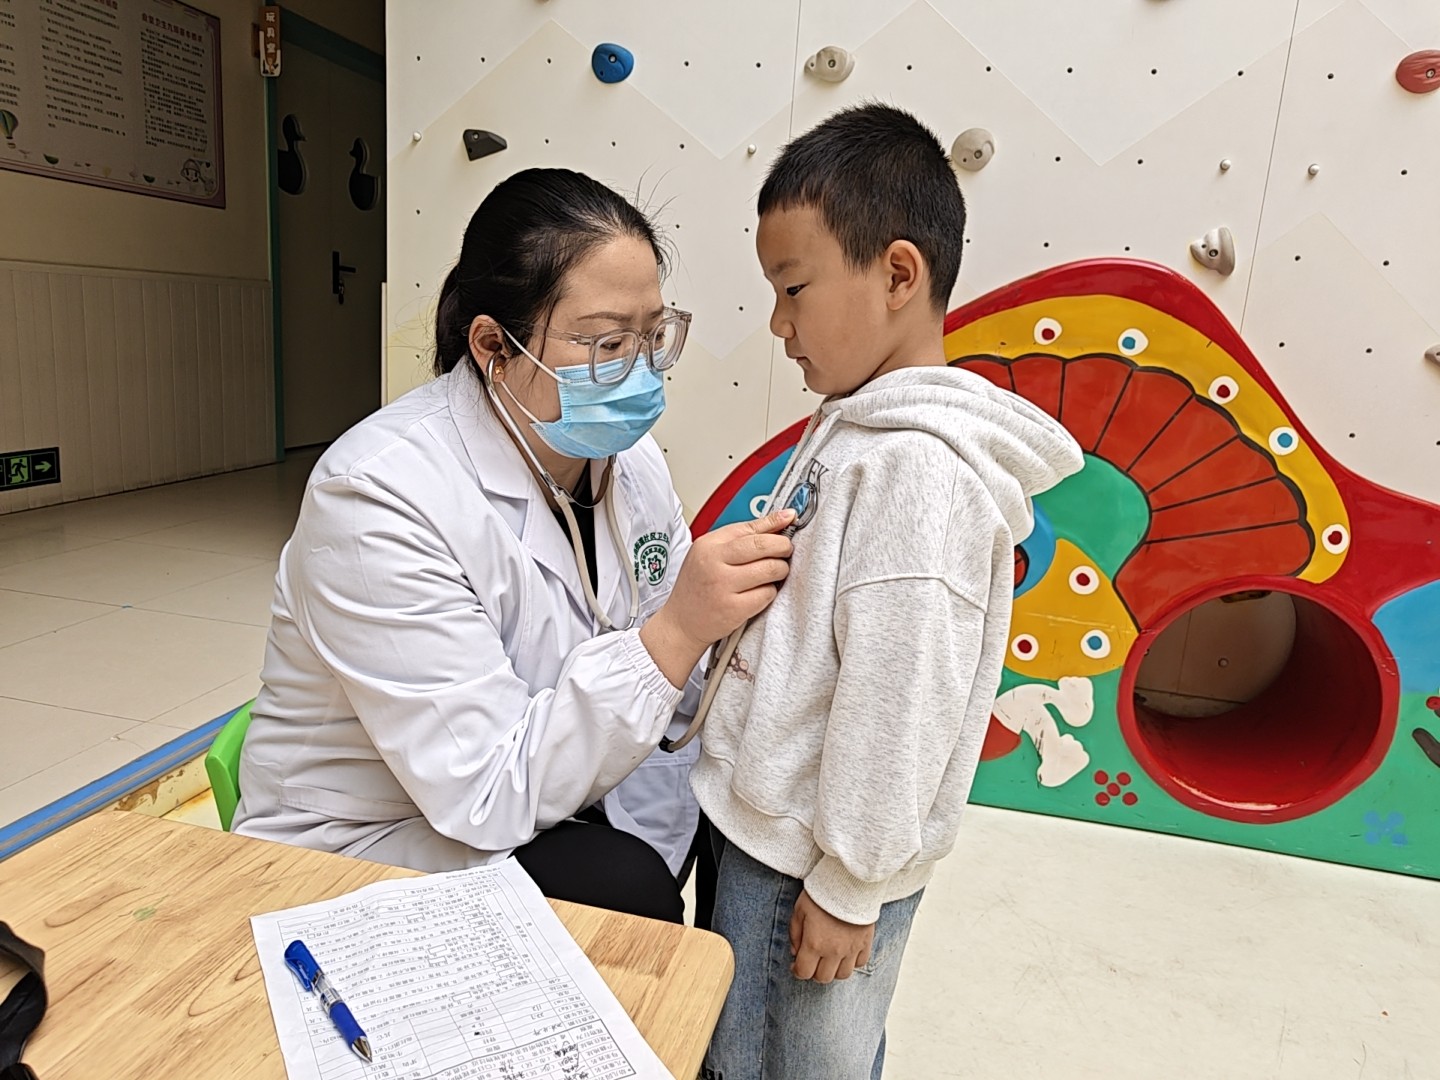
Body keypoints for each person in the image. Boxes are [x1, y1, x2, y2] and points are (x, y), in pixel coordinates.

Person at [233, 168, 796, 924]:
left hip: (550, 782)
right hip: (383, 834)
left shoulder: (629, 462)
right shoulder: (377, 497)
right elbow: (488, 788)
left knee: (733, 814)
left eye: (653, 336)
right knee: (623, 886)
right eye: (606, 343)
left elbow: (677, 691)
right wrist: (677, 632)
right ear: (494, 346)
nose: (639, 371)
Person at [689, 104, 1084, 1076]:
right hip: (772, 827)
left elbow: (900, 699)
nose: (778, 323)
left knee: (785, 1061)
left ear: (899, 275)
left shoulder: (919, 473)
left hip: (812, 865)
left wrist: (851, 885)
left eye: (793, 288)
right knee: (741, 1047)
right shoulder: (859, 428)